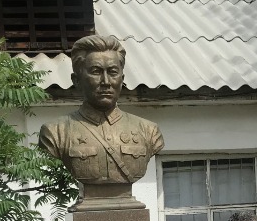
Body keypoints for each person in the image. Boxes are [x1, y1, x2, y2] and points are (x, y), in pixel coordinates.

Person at [38, 35, 164, 201]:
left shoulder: (148, 131)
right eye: (96, 72)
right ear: (76, 80)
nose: (106, 82)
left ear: (122, 80)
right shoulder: (56, 132)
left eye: (113, 72)